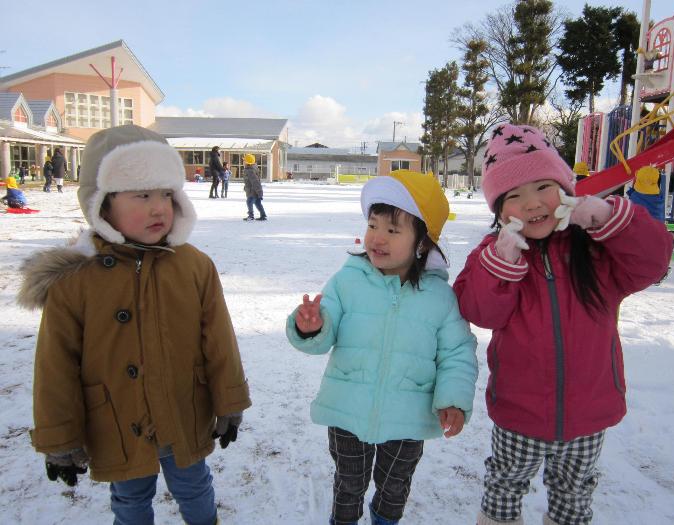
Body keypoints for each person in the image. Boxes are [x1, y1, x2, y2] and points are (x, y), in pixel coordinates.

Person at [17, 125, 252, 525]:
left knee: (195, 486)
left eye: (166, 194)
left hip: (183, 411)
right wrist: (58, 438)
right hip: (117, 420)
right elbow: (55, 367)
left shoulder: (194, 266)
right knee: (129, 499)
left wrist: (229, 400)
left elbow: (220, 341)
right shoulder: (75, 282)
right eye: (143, 195)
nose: (160, 207)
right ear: (103, 205)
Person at [452, 123, 673, 525]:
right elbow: (478, 310)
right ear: (499, 212)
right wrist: (503, 263)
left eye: (543, 187)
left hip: (589, 413)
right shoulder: (496, 253)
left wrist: (608, 218)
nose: (532, 204)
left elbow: (653, 262)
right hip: (520, 412)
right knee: (504, 485)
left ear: (566, 190)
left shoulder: (597, 250)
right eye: (513, 196)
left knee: (574, 494)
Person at [286, 170, 479, 525]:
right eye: (374, 225)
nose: (377, 237)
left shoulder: (439, 297)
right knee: (349, 483)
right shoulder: (347, 280)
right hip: (348, 408)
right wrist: (311, 326)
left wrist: (453, 398)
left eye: (393, 230)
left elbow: (457, 352)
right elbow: (324, 332)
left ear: (422, 243)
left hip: (410, 414)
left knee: (395, 485)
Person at [242, 153, 267, 220]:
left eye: (244, 161)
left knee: (249, 202)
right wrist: (245, 187)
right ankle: (263, 215)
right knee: (257, 203)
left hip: (253, 191)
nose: (243, 162)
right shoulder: (250, 169)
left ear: (248, 163)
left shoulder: (250, 171)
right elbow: (249, 182)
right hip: (253, 190)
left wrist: (259, 192)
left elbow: (255, 182)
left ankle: (251, 215)